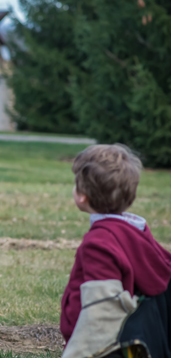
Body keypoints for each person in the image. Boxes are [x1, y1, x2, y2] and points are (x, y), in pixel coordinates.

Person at [61, 144, 171, 353]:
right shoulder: (136, 231)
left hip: (100, 347)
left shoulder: (99, 243)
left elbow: (101, 310)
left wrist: (78, 352)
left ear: (82, 195)